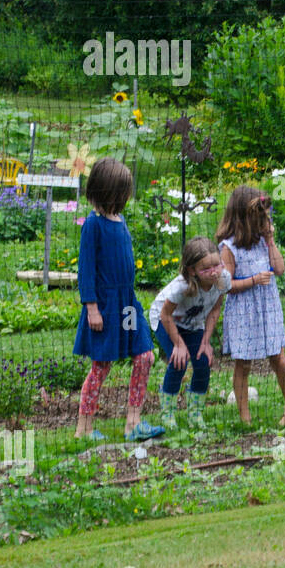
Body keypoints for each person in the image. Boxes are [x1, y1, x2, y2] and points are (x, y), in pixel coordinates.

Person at [72, 158, 162, 441]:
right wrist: (92, 308)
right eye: (122, 191)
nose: (126, 196)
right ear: (108, 191)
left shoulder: (120, 220)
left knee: (145, 356)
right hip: (106, 307)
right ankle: (83, 429)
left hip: (127, 305)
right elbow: (85, 270)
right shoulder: (93, 225)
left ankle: (133, 423)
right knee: (102, 365)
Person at [218, 186, 285, 426]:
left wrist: (271, 240)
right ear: (242, 217)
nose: (263, 221)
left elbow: (280, 269)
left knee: (278, 358)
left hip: (268, 307)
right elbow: (226, 285)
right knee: (243, 363)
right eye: (258, 217)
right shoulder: (228, 247)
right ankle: (245, 417)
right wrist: (253, 280)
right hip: (243, 311)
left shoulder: (263, 241)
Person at [148, 236, 231, 429]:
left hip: (194, 323)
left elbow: (216, 309)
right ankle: (167, 413)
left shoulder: (223, 279)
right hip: (165, 320)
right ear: (192, 270)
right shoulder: (182, 286)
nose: (213, 273)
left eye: (216, 265)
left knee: (202, 362)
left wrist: (206, 341)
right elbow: (165, 314)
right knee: (179, 362)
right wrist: (178, 344)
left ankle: (195, 413)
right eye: (205, 269)